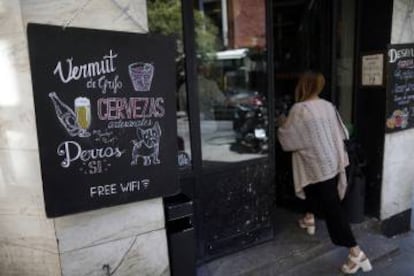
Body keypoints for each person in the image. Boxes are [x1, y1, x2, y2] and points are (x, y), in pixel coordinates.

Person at [277, 71, 372, 274]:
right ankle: (309, 218)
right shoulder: (328, 106)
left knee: (333, 210)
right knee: (314, 191)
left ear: (302, 86)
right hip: (332, 163)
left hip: (315, 166)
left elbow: (288, 140)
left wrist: (281, 124)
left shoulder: (299, 109)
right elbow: (342, 132)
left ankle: (356, 254)